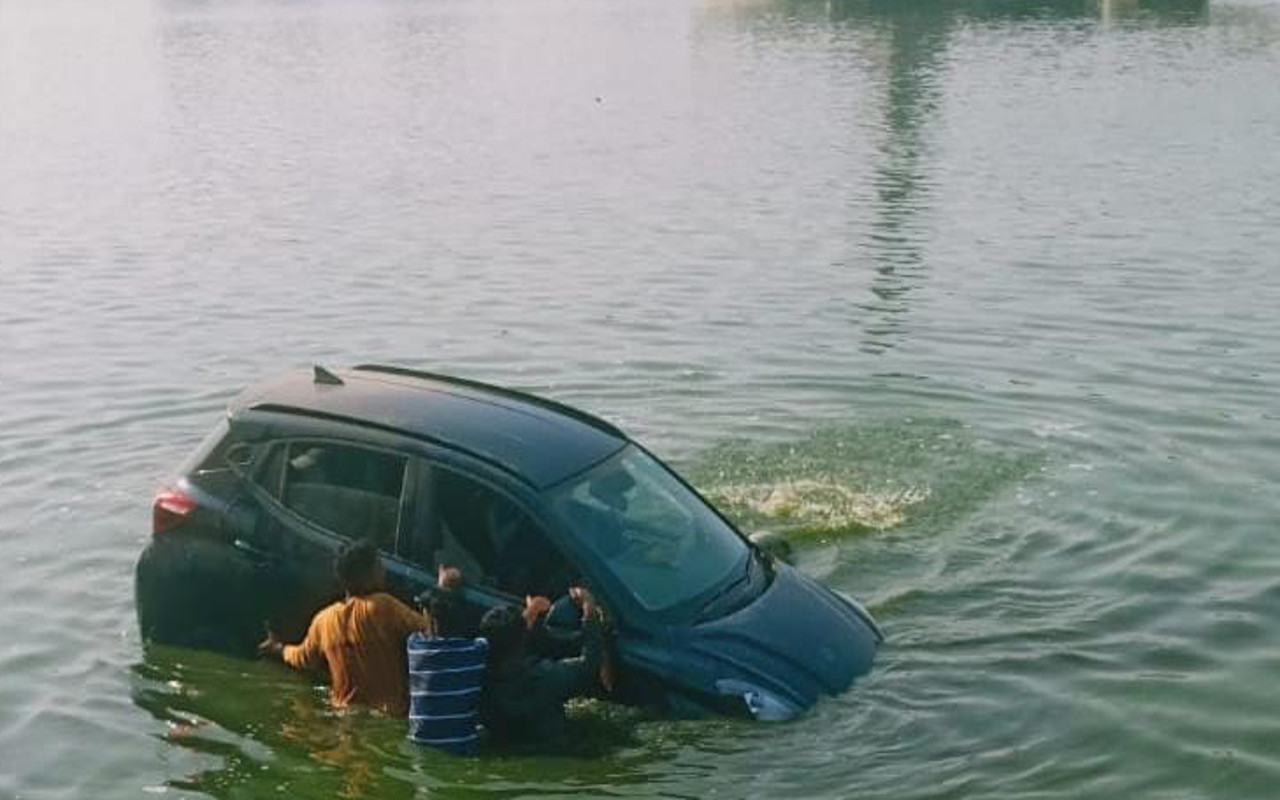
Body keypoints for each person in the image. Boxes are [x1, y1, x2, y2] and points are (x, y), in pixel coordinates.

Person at [259, 539, 428, 716]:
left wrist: (278, 648)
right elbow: (430, 632)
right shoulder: (382, 607)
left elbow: (303, 658)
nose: (384, 571)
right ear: (370, 573)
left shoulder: (324, 621)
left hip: (343, 716)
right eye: (379, 566)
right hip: (388, 716)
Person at [479, 586, 613, 747]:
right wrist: (589, 609)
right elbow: (589, 662)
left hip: (504, 745)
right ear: (522, 640)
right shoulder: (545, 676)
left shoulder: (474, 675)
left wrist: (532, 610)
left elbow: (506, 641)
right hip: (554, 747)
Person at [406, 565, 488, 756]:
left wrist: (442, 584)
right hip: (462, 748)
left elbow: (429, 625)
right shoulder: (475, 650)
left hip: (419, 743)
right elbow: (508, 631)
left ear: (432, 622)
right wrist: (533, 609)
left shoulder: (415, 647)